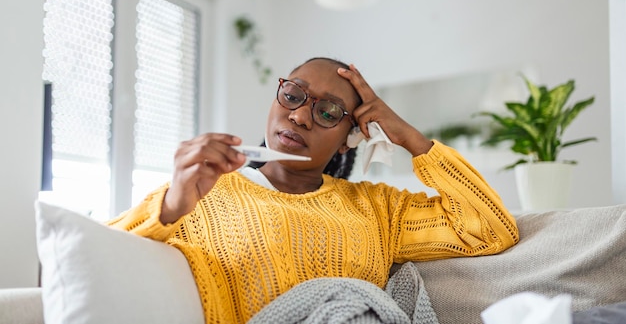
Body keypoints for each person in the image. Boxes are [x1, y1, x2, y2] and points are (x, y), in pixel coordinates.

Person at [108, 57, 520, 323]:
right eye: (293, 95)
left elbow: (489, 228)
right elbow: (103, 257)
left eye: (328, 112)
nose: (301, 115)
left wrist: (411, 138)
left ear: (350, 138)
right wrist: (172, 206)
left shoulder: (377, 209)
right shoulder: (204, 193)